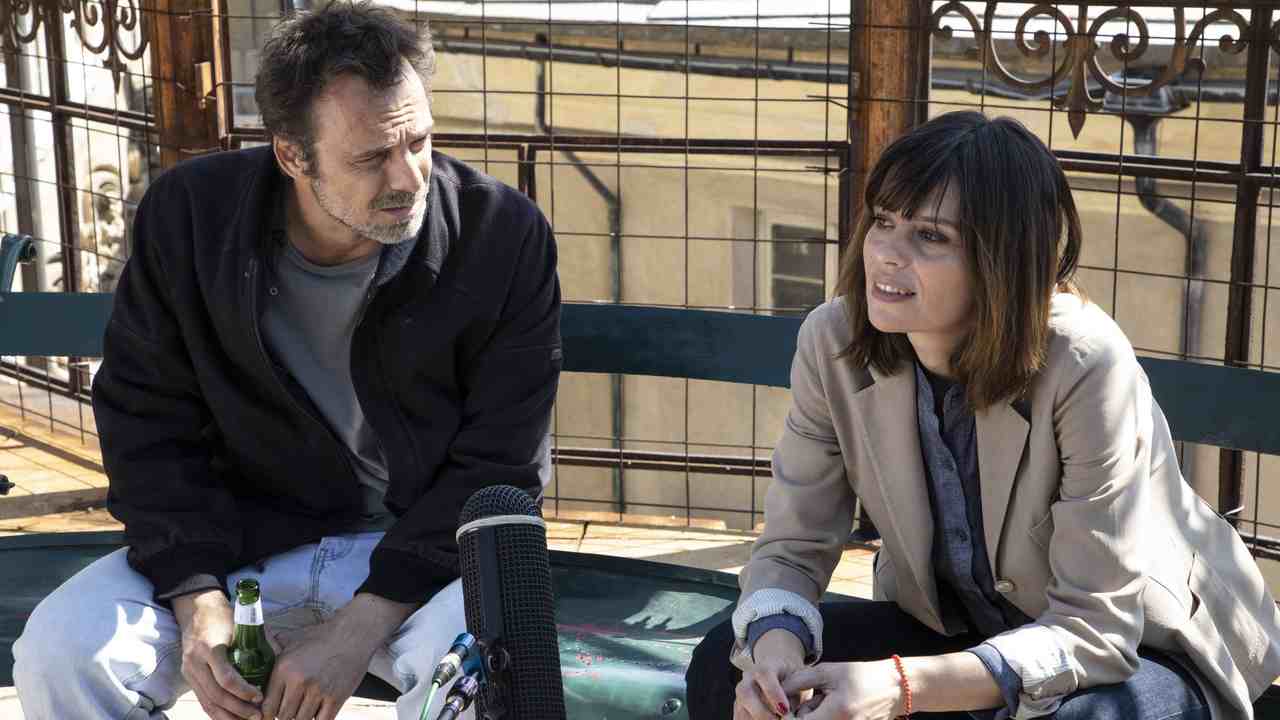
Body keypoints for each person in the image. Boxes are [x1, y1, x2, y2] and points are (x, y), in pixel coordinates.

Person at [12, 3, 561, 720]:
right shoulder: (191, 217)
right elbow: (145, 422)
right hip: (242, 544)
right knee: (60, 651)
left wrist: (356, 631)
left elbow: (501, 465)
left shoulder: (500, 235)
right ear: (292, 156)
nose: (408, 177)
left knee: (491, 671)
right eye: (371, 157)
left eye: (419, 141)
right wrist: (197, 597)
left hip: (424, 559)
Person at [684, 111, 1280, 720]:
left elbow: (1095, 628)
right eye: (883, 222)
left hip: (1140, 647)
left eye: (929, 236)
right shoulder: (832, 341)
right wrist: (775, 656)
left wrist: (899, 686)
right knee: (721, 665)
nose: (886, 254)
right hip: (954, 628)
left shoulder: (1086, 362)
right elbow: (792, 547)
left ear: (1001, 258)